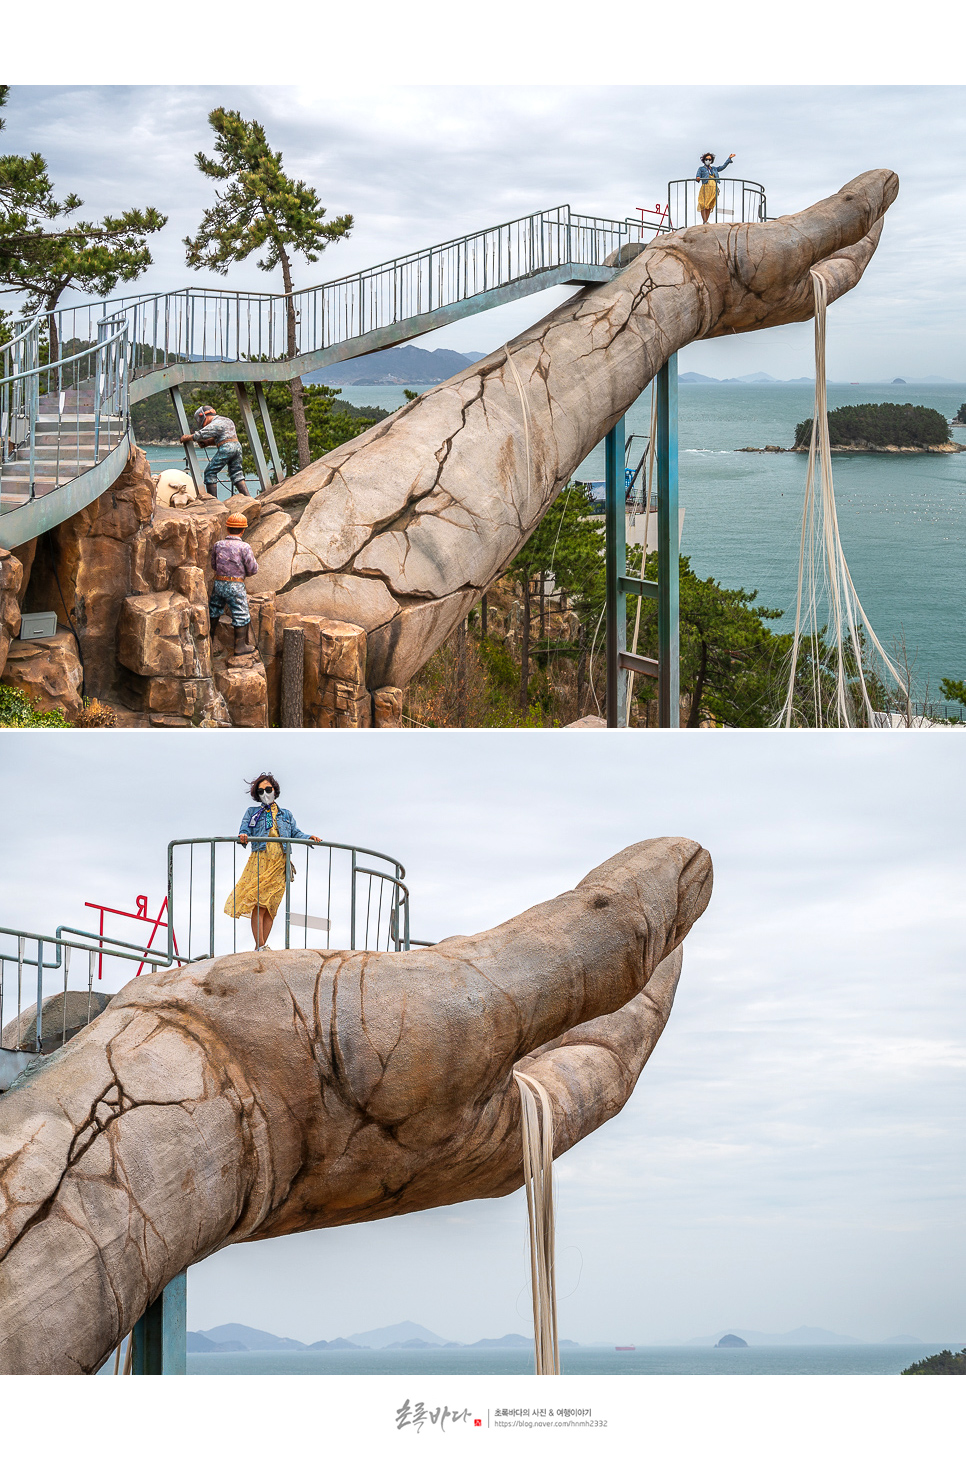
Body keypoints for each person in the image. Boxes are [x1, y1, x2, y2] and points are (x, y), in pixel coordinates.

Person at [225, 773, 322, 950]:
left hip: (280, 861)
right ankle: (260, 946)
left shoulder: (286, 814)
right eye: (261, 791)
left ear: (274, 790)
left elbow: (295, 833)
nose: (265, 793)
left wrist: (309, 837)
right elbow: (244, 829)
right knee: (258, 902)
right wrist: (244, 835)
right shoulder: (252, 813)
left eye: (268, 789)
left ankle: (260, 947)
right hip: (261, 859)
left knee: (270, 906)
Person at [210, 512, 259, 660]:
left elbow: (213, 564)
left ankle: (209, 642)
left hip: (219, 582)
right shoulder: (244, 547)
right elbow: (252, 568)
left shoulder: (218, 545)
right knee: (240, 613)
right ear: (243, 530)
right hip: (235, 584)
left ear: (227, 528)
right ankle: (240, 646)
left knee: (214, 611)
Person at [180, 404, 249, 498]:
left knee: (210, 472)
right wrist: (207, 443)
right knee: (237, 473)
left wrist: (188, 437)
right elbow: (223, 438)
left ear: (202, 416)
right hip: (237, 447)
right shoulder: (227, 420)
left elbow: (202, 434)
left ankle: (214, 502)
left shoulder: (216, 422)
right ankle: (248, 498)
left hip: (227, 448)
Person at [696, 152, 736, 224]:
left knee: (709, 205)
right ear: (704, 160)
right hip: (706, 187)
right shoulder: (701, 168)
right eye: (707, 159)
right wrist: (698, 178)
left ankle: (706, 221)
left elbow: (722, 167)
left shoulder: (714, 169)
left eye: (710, 159)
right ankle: (704, 221)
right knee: (703, 204)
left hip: (713, 188)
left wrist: (729, 159)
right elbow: (698, 175)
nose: (708, 160)